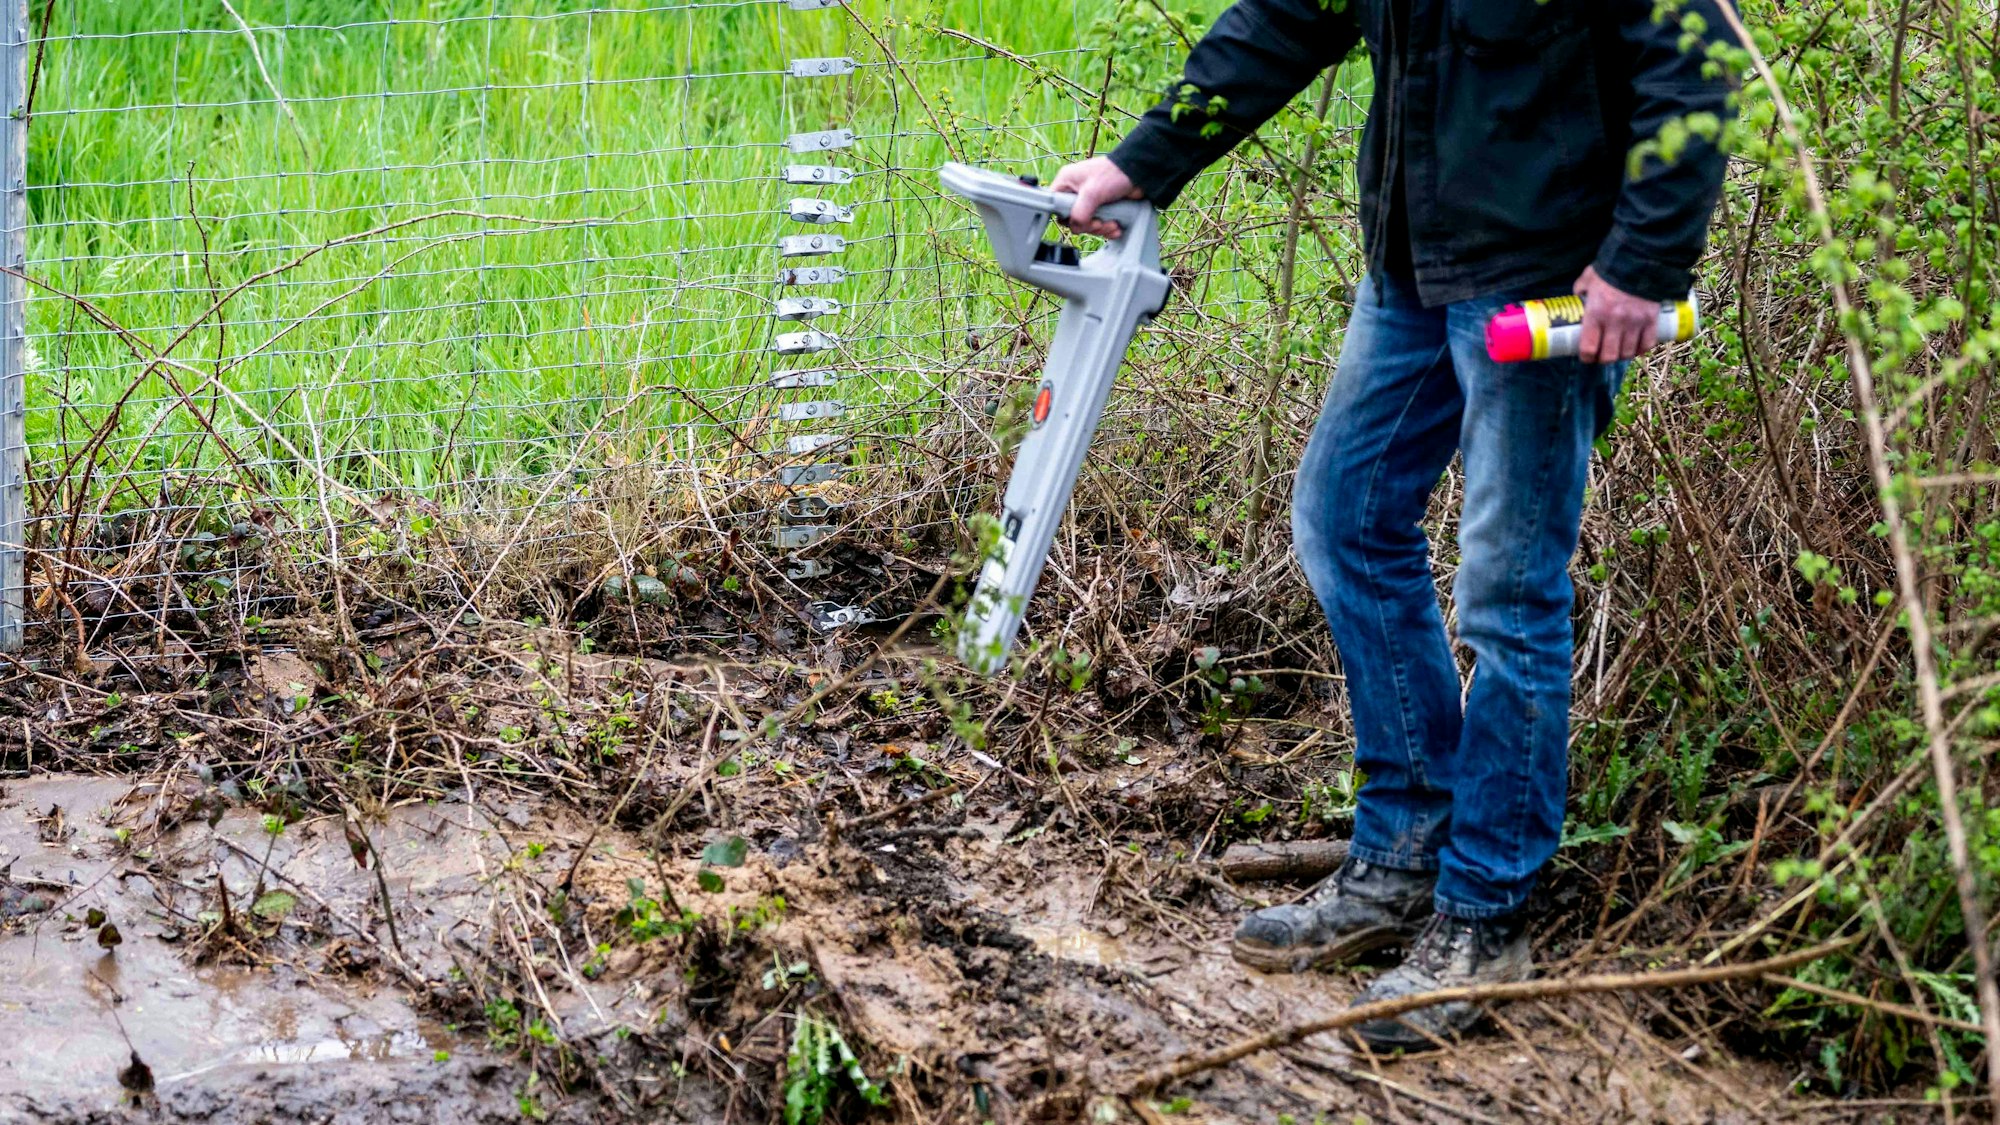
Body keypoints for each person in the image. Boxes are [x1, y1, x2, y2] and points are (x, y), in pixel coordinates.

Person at [1053, 0, 1736, 1048]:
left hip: (1546, 273)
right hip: (1416, 265)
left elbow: (1696, 60)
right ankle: (1404, 849)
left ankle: (1483, 914)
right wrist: (1139, 160)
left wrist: (1645, 261)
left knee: (1508, 599)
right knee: (1345, 519)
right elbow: (1284, 16)